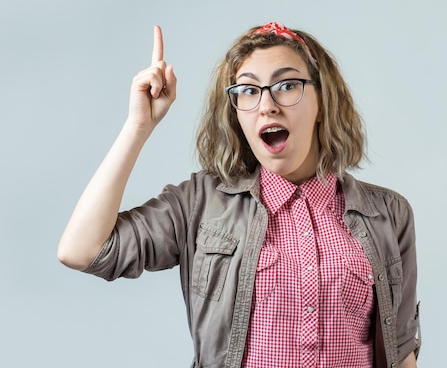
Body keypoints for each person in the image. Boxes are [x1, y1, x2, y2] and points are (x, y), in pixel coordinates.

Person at [58, 22, 421, 368]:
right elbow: (82, 251)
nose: (267, 105)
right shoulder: (199, 204)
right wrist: (138, 126)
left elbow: (401, 353)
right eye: (248, 90)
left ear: (322, 103)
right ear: (236, 114)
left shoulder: (388, 214)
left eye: (287, 85)